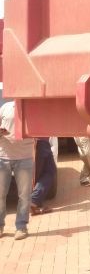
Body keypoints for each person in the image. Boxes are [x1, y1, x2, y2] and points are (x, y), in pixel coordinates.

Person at [0, 101, 34, 240]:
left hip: (24, 158)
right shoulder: (5, 107)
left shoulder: (34, 109)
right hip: (3, 157)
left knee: (24, 195)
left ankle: (21, 227)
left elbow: (41, 131)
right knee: (0, 195)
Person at [30, 138, 56, 215]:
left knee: (48, 171)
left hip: (41, 142)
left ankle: (36, 202)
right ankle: (34, 200)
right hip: (38, 141)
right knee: (46, 172)